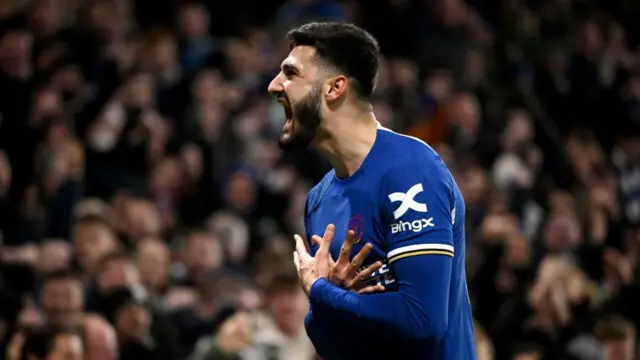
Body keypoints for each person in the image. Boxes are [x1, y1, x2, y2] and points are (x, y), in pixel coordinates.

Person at [267, 22, 476, 359]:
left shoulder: (410, 169)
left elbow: (423, 320)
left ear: (334, 88)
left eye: (290, 73)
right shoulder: (319, 200)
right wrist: (328, 300)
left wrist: (323, 291)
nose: (274, 85)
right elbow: (333, 345)